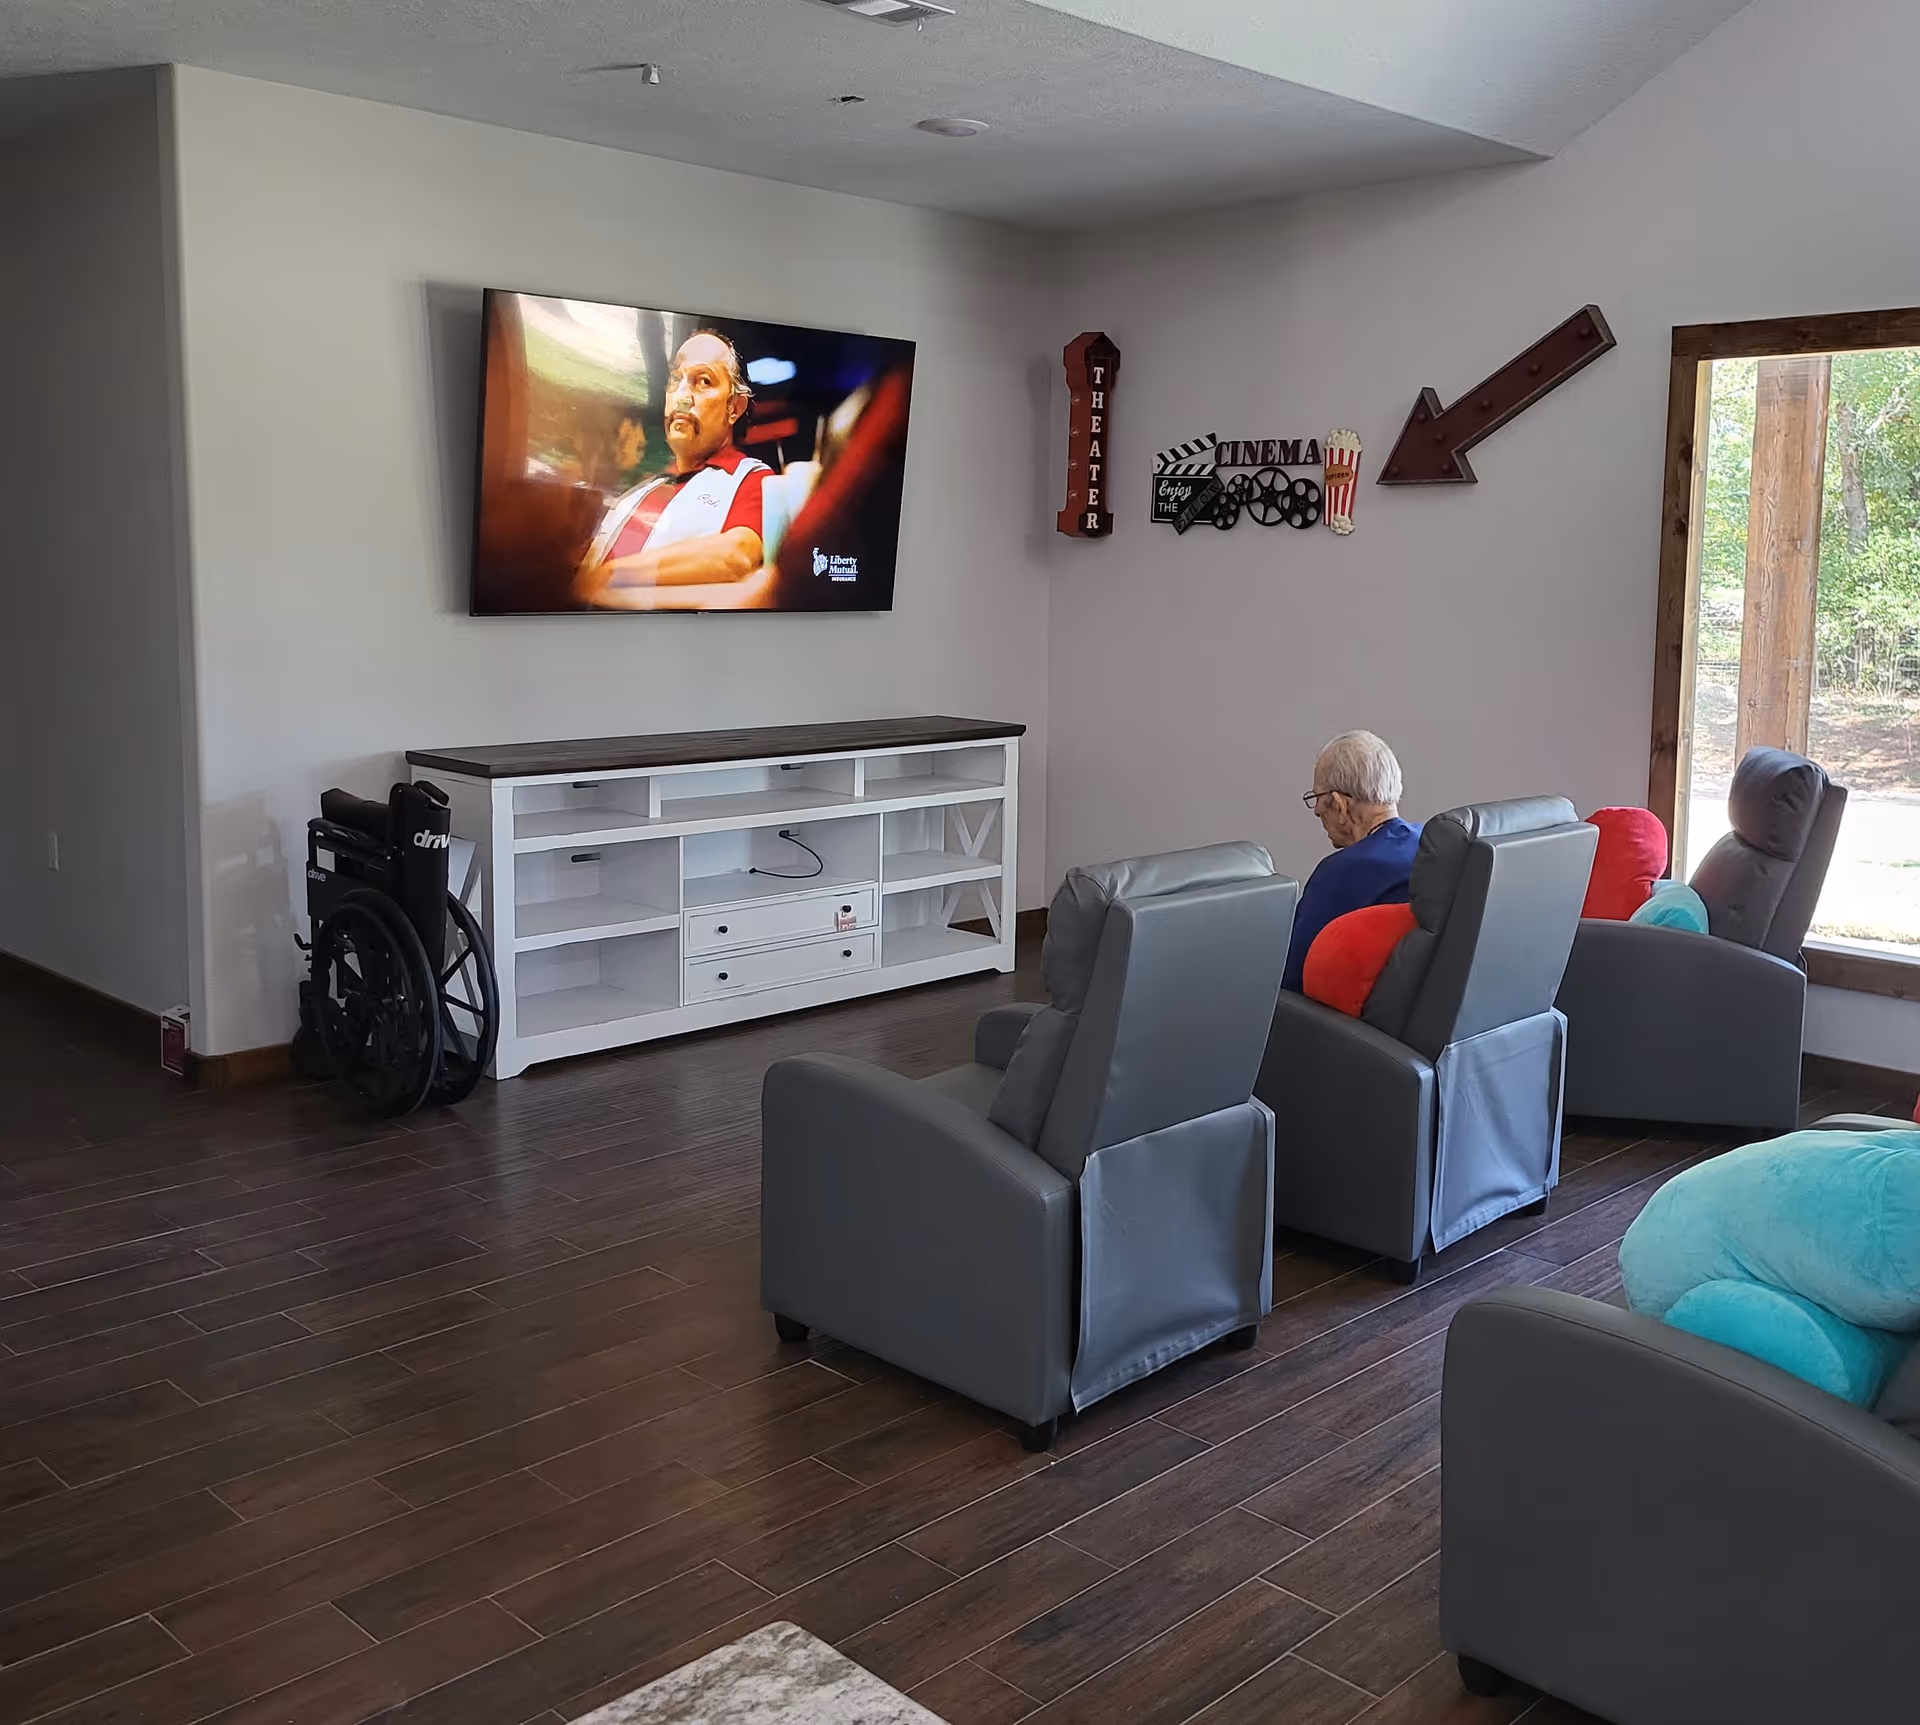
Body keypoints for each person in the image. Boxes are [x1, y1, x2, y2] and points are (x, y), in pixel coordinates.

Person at [573, 331, 771, 608]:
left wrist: (610, 576)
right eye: (676, 379)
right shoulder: (644, 488)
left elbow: (736, 556)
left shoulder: (751, 479)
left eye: (703, 381)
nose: (681, 397)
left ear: (734, 408)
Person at [1283, 731, 1422, 993]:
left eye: (1317, 798)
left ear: (1339, 804)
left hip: (1339, 1017)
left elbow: (1289, 976)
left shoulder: (1340, 873)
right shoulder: (1432, 847)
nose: (1316, 810)